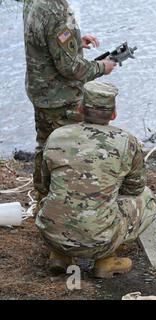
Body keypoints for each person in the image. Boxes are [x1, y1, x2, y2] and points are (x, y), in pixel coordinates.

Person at [36, 82, 156, 278]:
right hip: (100, 241)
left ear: (80, 109)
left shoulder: (56, 136)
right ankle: (106, 260)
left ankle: (60, 255)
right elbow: (135, 187)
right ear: (113, 114)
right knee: (148, 198)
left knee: (55, 195)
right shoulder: (126, 141)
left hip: (52, 235)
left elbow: (42, 184)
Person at [23, 0, 117, 205]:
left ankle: (42, 197)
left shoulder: (34, 3)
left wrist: (75, 41)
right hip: (60, 98)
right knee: (71, 150)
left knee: (45, 144)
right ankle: (68, 206)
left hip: (40, 91)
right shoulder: (56, 10)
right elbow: (70, 69)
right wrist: (103, 67)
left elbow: (45, 41)